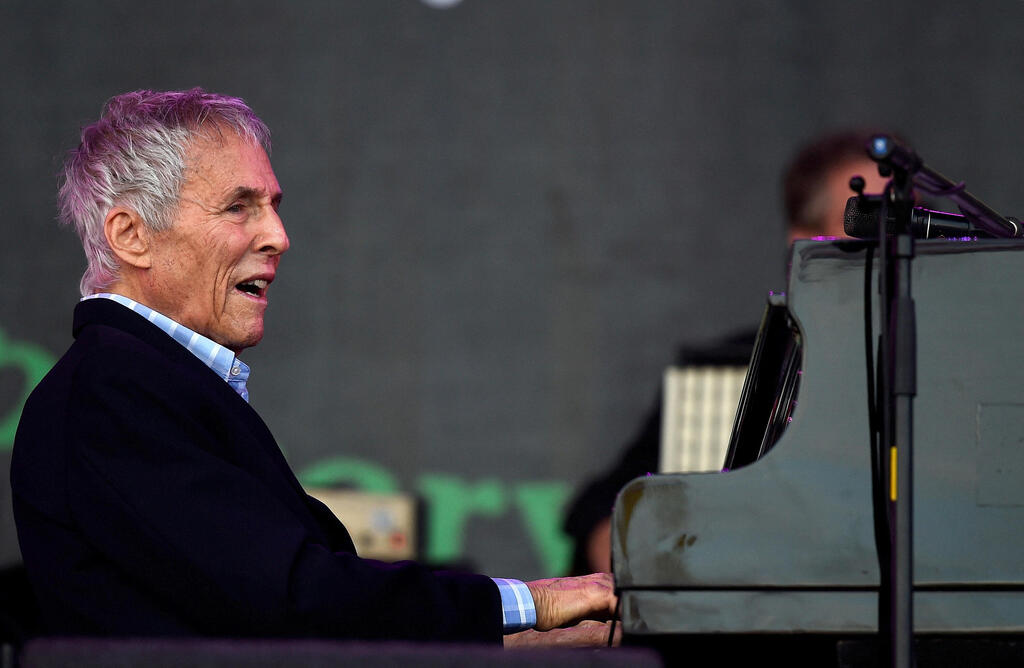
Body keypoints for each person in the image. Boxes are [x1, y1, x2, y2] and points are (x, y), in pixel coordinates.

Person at [10, 89, 615, 646]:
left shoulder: (142, 381)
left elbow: (260, 618)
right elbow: (292, 597)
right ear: (132, 235)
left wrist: (521, 641)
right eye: (238, 207)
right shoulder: (115, 390)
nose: (278, 235)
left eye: (272, 206)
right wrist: (527, 605)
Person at [562, 129, 892, 575]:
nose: (892, 246)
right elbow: (606, 506)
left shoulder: (953, 373)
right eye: (867, 223)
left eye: (904, 225)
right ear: (804, 244)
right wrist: (638, 564)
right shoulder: (734, 372)